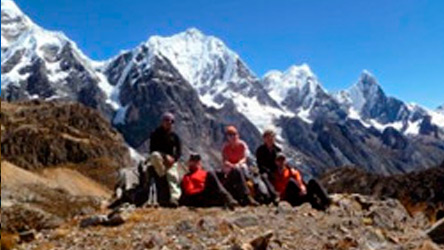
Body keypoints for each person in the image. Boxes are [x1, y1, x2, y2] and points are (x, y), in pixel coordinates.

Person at [148, 112, 182, 207]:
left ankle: (174, 199)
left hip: (171, 161)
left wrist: (173, 159)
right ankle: (162, 175)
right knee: (155, 156)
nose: (168, 122)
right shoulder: (155, 134)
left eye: (171, 121)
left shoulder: (175, 137)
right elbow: (152, 150)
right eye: (166, 120)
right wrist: (164, 155)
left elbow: (179, 152)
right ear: (162, 121)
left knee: (172, 176)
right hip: (159, 159)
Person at [220, 125, 258, 206]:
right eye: (230, 135)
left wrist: (238, 164)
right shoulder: (225, 147)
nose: (233, 137)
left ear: (238, 135)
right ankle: (246, 196)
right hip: (230, 168)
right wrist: (231, 165)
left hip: (240, 165)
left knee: (241, 169)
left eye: (234, 134)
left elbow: (244, 158)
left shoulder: (242, 145)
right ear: (227, 137)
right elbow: (224, 160)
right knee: (234, 171)